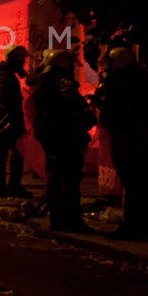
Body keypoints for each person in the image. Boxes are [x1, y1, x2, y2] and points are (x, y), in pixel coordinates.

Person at [94, 47, 148, 239]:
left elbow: (111, 112)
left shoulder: (118, 81)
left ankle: (133, 225)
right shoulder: (142, 76)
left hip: (125, 136)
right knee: (142, 180)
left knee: (131, 181)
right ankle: (145, 222)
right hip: (141, 135)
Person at [31, 49, 96, 233]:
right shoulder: (62, 83)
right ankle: (71, 219)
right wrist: (86, 118)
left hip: (52, 135)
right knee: (69, 180)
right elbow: (70, 111)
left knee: (55, 178)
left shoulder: (45, 82)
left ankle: (58, 218)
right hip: (65, 136)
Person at [0, 45, 33, 198]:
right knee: (13, 153)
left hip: (5, 119)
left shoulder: (5, 74)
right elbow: (4, 100)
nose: (23, 63)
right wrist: (10, 118)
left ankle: (1, 187)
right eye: (20, 60)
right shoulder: (6, 76)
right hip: (8, 120)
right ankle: (10, 186)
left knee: (3, 154)